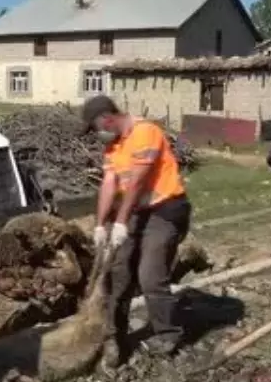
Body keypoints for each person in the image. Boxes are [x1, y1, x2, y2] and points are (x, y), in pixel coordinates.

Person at [81, 95, 191, 366]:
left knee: (150, 274)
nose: (97, 135)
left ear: (106, 118)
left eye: (96, 128)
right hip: (137, 211)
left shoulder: (146, 133)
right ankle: (113, 336)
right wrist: (99, 224)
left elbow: (137, 184)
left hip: (165, 210)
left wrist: (120, 222)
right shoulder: (114, 147)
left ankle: (167, 334)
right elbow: (109, 184)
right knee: (119, 272)